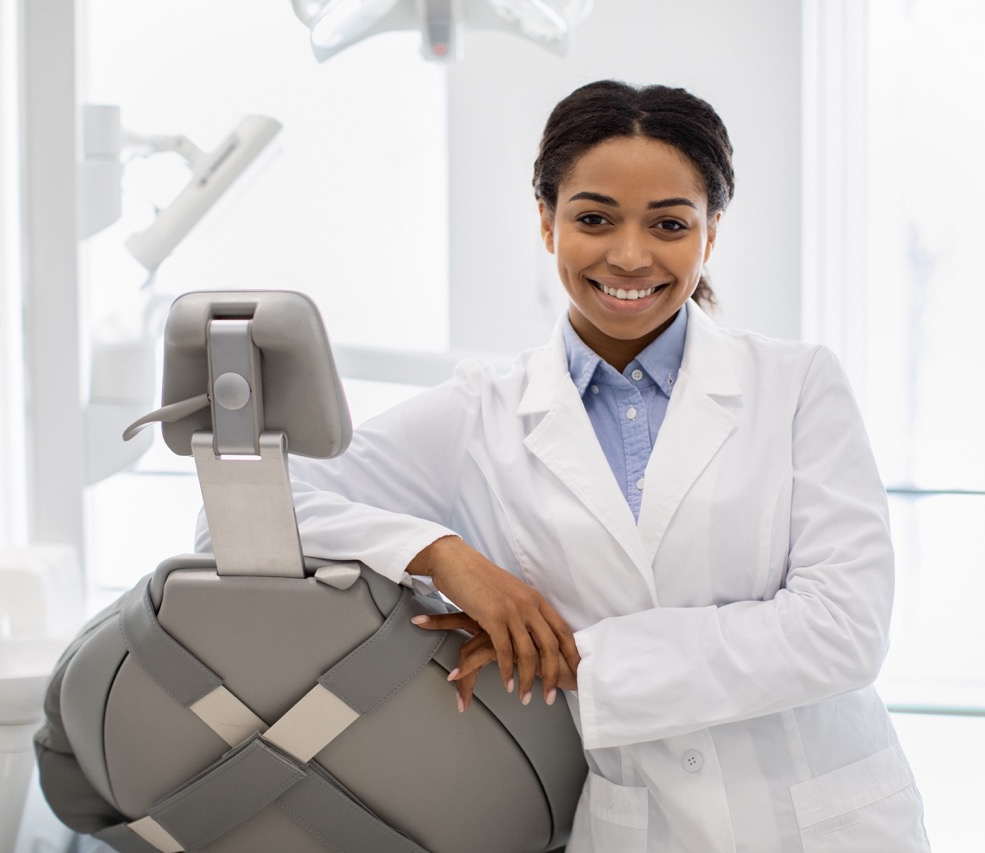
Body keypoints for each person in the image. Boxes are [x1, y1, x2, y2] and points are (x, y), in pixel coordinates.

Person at [198, 80, 931, 852]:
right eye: (594, 218)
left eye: (670, 223)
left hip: (827, 821)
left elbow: (844, 629)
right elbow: (238, 513)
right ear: (546, 221)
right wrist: (445, 556)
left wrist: (579, 659)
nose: (629, 254)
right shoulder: (481, 410)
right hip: (638, 827)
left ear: (711, 232)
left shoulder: (798, 385)